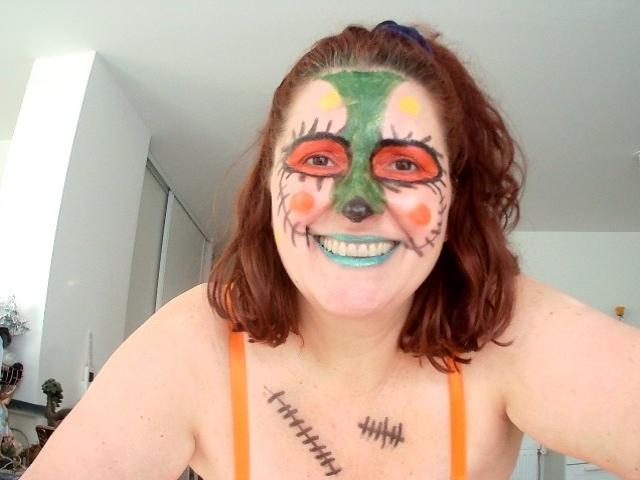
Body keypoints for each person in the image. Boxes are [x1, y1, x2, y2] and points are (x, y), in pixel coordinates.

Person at [21, 22, 640, 480]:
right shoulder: (192, 344)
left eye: (404, 164)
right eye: (319, 159)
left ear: (453, 198)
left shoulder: (507, 329)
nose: (357, 204)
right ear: (270, 186)